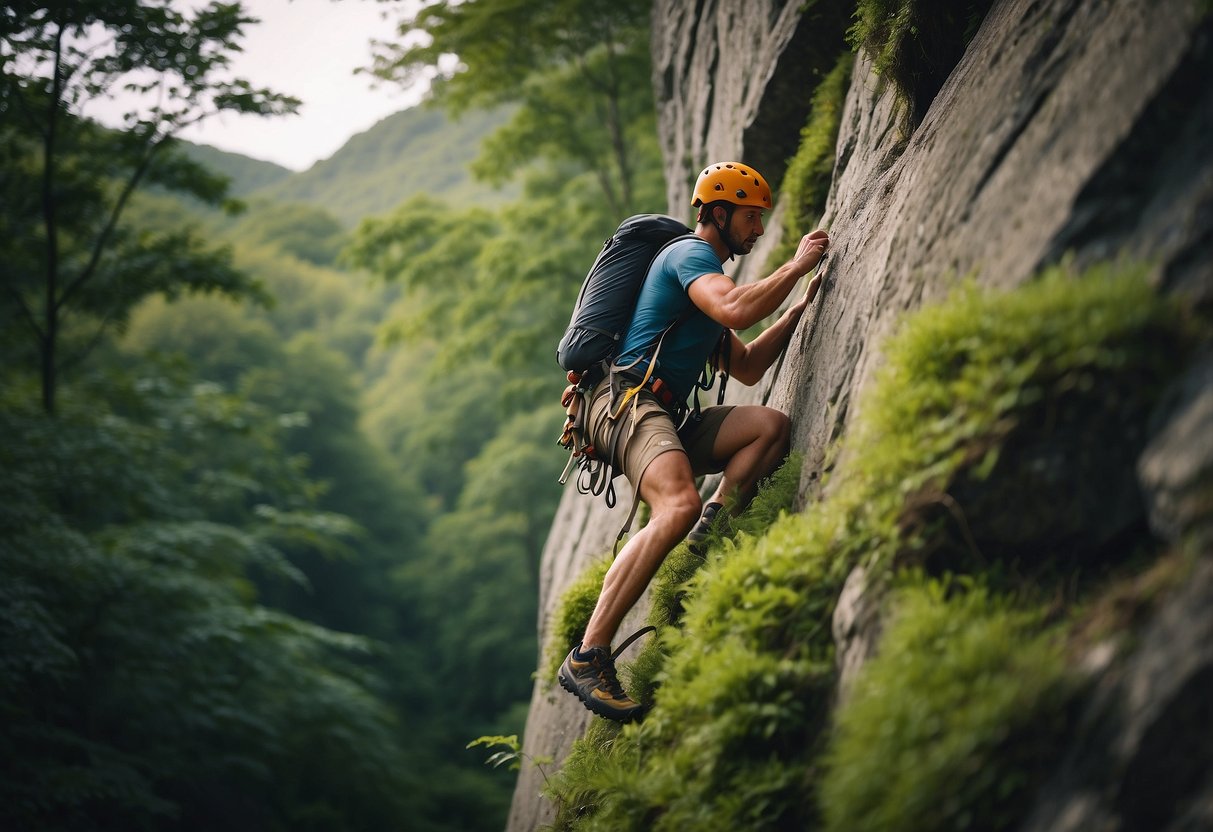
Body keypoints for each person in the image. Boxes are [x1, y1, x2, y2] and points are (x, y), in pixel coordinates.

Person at [558, 161, 830, 721]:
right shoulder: (690, 256)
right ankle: (588, 655)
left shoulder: (697, 289)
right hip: (624, 401)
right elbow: (735, 306)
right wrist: (797, 265)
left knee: (768, 429)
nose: (757, 231)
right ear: (720, 213)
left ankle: (712, 527)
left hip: (663, 411)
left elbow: (749, 365)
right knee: (675, 502)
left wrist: (799, 308)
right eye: (752, 218)